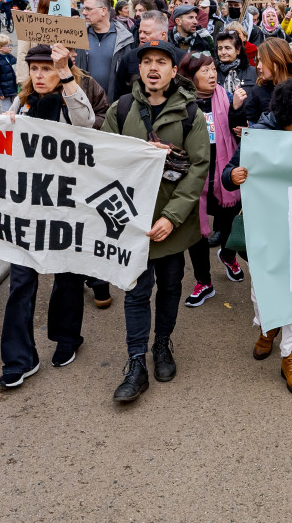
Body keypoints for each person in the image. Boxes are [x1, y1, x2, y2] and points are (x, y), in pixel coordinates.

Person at [103, 39, 210, 403]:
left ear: (172, 70)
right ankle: (136, 363)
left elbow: (198, 168)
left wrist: (172, 215)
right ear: (140, 69)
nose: (153, 67)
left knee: (170, 285)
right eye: (146, 61)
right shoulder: (122, 109)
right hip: (133, 223)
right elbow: (103, 160)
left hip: (174, 225)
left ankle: (162, 345)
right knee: (136, 292)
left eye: (160, 62)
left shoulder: (190, 113)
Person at [0, 44, 96, 387]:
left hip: (65, 206)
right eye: (35, 69)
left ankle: (67, 337)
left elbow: (88, 122)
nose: (40, 76)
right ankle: (18, 358)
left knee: (66, 275)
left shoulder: (71, 97)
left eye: (47, 69)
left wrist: (65, 73)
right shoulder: (22, 103)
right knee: (21, 281)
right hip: (26, 206)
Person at [222, 76, 292, 395]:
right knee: (262, 292)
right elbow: (227, 174)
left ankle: (291, 358)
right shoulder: (259, 138)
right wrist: (233, 176)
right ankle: (268, 328)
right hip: (265, 228)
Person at [177, 52, 245, 308]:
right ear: (190, 76)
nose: (212, 74)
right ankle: (203, 281)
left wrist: (237, 112)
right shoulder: (181, 102)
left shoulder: (226, 96)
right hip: (195, 173)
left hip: (225, 168)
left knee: (228, 220)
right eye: (204, 71)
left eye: (214, 69)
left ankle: (228, 255)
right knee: (197, 230)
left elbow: (240, 129)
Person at [76, 0, 136, 103]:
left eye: (88, 9)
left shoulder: (124, 38)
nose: (84, 13)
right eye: (83, 9)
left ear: (103, 11)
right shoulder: (78, 36)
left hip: (114, 104)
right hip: (85, 104)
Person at [240, 37, 292, 124]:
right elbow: (251, 122)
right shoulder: (258, 90)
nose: (258, 66)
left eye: (262, 61)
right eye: (257, 61)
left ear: (277, 60)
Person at [114, 10, 169, 99]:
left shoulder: (180, 57)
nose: (141, 36)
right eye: (140, 32)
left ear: (163, 34)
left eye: (147, 33)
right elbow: (119, 94)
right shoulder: (129, 58)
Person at [214, 31, 257, 96]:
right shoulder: (214, 73)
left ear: (238, 50)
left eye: (227, 48)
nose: (223, 52)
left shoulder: (253, 72)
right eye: (220, 49)